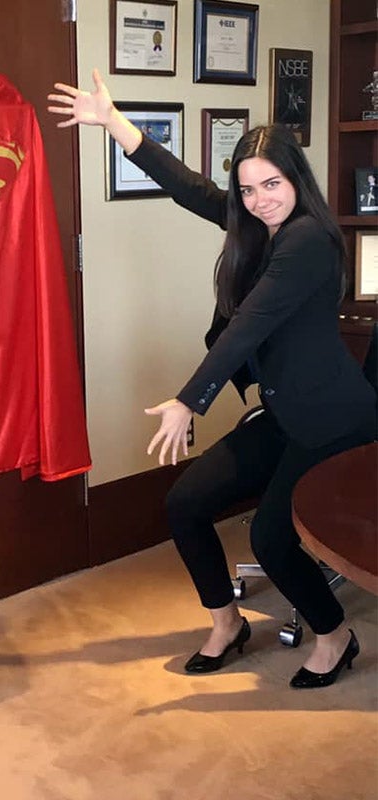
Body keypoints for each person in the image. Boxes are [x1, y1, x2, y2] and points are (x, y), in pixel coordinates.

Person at [48, 69, 376, 688]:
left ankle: (335, 635)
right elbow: (190, 188)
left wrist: (188, 401)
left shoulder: (307, 240)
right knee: (185, 504)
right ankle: (226, 623)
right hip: (284, 413)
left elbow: (247, 326)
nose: (258, 200)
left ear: (295, 179)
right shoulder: (257, 225)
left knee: (276, 541)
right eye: (248, 189)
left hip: (333, 422)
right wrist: (116, 124)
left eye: (271, 184)